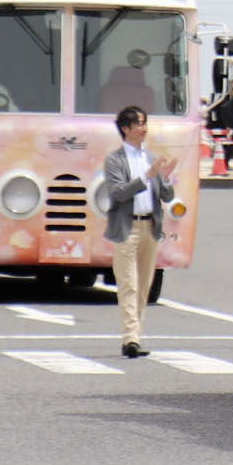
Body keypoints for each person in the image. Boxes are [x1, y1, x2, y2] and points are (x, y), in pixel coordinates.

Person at [101, 106, 175, 358]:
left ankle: (136, 336)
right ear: (125, 128)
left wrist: (164, 178)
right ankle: (129, 339)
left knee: (144, 286)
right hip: (126, 227)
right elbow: (118, 192)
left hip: (149, 227)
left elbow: (166, 195)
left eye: (145, 123)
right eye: (138, 124)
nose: (143, 128)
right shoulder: (115, 160)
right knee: (128, 284)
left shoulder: (149, 157)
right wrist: (147, 176)